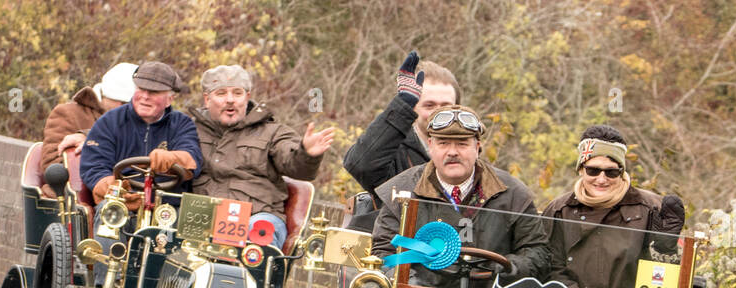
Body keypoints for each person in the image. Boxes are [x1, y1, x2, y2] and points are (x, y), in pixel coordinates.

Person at [371, 105, 561, 288]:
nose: (452, 152)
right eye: (443, 143)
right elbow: (383, 254)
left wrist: (504, 270)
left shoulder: (514, 194)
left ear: (477, 147)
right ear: (430, 145)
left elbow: (538, 253)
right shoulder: (400, 192)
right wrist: (414, 287)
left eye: (462, 144)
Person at [539, 125, 685, 288]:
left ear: (621, 171)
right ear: (581, 169)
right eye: (593, 170)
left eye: (611, 172)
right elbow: (550, 267)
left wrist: (666, 250)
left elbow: (671, 282)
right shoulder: (559, 210)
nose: (601, 179)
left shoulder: (654, 209)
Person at [189, 64, 335, 249]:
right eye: (221, 94)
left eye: (237, 93)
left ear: (247, 97)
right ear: (207, 99)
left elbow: (294, 163)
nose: (230, 100)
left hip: (256, 215)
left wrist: (307, 154)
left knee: (259, 233)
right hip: (200, 216)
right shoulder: (188, 130)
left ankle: (251, 278)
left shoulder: (272, 132)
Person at [344, 51, 461, 228]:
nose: (438, 112)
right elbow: (359, 164)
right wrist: (402, 104)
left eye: (446, 106)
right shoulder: (392, 149)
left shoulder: (468, 156)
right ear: (412, 108)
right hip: (394, 249)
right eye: (429, 105)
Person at [79, 61, 203, 211]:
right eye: (140, 89)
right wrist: (114, 190)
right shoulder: (109, 121)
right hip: (120, 203)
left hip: (167, 206)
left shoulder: (182, 123)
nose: (145, 96)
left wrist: (171, 159)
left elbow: (192, 159)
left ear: (170, 99)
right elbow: (93, 167)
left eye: (154, 92)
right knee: (109, 213)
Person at [40, 62, 138, 185]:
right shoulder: (68, 113)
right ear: (107, 95)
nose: (127, 110)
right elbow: (53, 166)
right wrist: (94, 142)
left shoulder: (143, 122)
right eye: (124, 103)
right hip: (77, 194)